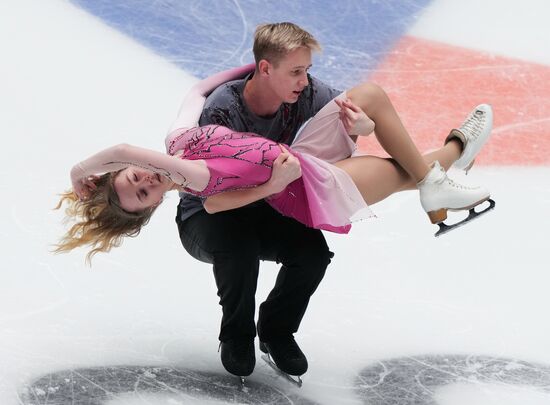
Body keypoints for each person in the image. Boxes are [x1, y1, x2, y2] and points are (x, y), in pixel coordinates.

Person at [56, 23, 493, 380]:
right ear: (153, 206)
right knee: (240, 244)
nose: (147, 179)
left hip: (291, 183)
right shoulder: (199, 165)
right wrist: (81, 170)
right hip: (242, 203)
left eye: (135, 179)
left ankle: (277, 330)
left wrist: (357, 126)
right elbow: (211, 202)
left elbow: (196, 92)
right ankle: (238, 336)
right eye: (145, 192)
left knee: (314, 253)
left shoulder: (186, 135)